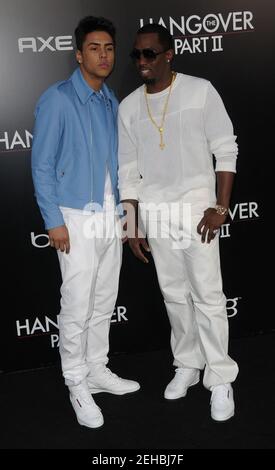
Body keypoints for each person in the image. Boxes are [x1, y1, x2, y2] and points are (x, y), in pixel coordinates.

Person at [118, 23, 238, 422]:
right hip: (155, 215)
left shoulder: (200, 90)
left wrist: (220, 208)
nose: (141, 62)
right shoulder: (129, 106)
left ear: (169, 54)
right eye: (136, 55)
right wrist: (133, 222)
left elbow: (225, 149)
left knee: (208, 296)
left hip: (197, 213)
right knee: (173, 295)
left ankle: (219, 376)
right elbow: (128, 169)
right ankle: (187, 363)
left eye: (149, 54)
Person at [31, 16, 140, 429]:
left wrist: (125, 219)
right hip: (74, 216)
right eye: (94, 48)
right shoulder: (57, 99)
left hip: (110, 217)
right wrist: (53, 220)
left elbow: (118, 166)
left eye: (109, 48)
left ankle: (96, 369)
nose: (103, 55)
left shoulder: (110, 99)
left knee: (103, 299)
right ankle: (75, 382)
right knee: (77, 302)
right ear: (79, 54)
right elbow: (41, 165)